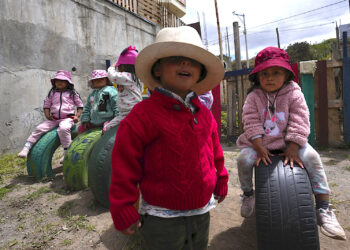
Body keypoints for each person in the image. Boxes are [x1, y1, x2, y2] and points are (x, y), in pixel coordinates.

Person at [109, 26, 229, 249]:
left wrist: (221, 179)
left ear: (201, 72)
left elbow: (214, 151)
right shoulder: (144, 114)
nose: (186, 64)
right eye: (176, 59)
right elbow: (124, 163)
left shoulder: (203, 114)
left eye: (192, 61)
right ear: (157, 70)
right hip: (161, 218)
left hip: (202, 210)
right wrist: (124, 206)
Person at [236, 46, 346, 240]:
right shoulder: (254, 97)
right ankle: (247, 193)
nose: (269, 78)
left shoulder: (294, 93)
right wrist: (259, 146)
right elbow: (250, 121)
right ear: (257, 77)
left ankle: (323, 206)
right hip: (260, 142)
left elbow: (300, 119)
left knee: (312, 157)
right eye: (264, 73)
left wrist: (294, 146)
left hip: (290, 142)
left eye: (276, 72)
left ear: (287, 74)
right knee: (243, 159)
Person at [18, 70, 83, 162]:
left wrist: (77, 116)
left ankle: (66, 152)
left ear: (68, 82)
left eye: (62, 80)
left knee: (63, 129)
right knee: (40, 128)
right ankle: (27, 147)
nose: (59, 82)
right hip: (54, 119)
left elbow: (80, 105)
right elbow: (47, 105)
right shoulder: (52, 93)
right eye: (57, 81)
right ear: (54, 83)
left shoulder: (72, 93)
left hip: (68, 118)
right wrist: (47, 115)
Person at [103, 46, 143, 132]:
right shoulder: (135, 77)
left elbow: (112, 76)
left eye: (119, 67)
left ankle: (106, 128)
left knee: (107, 128)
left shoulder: (126, 76)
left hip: (129, 111)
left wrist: (111, 67)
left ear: (123, 67)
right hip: (130, 110)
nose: (118, 70)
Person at [79, 70, 118, 134]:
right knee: (81, 128)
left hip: (108, 121)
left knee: (106, 134)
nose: (99, 80)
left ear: (107, 80)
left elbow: (116, 105)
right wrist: (85, 120)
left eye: (102, 78)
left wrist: (117, 119)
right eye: (96, 79)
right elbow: (87, 108)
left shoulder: (111, 91)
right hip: (94, 122)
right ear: (92, 82)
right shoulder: (92, 94)